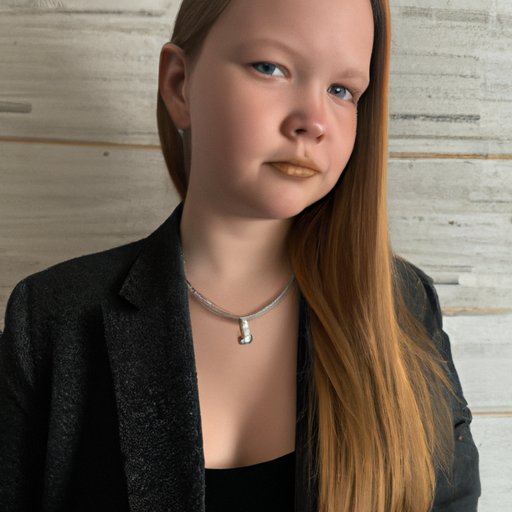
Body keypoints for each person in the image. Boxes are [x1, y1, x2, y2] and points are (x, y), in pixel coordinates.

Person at [0, 0, 480, 510]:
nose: (313, 121)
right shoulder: (54, 320)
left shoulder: (403, 307)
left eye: (342, 90)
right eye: (270, 67)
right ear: (179, 85)